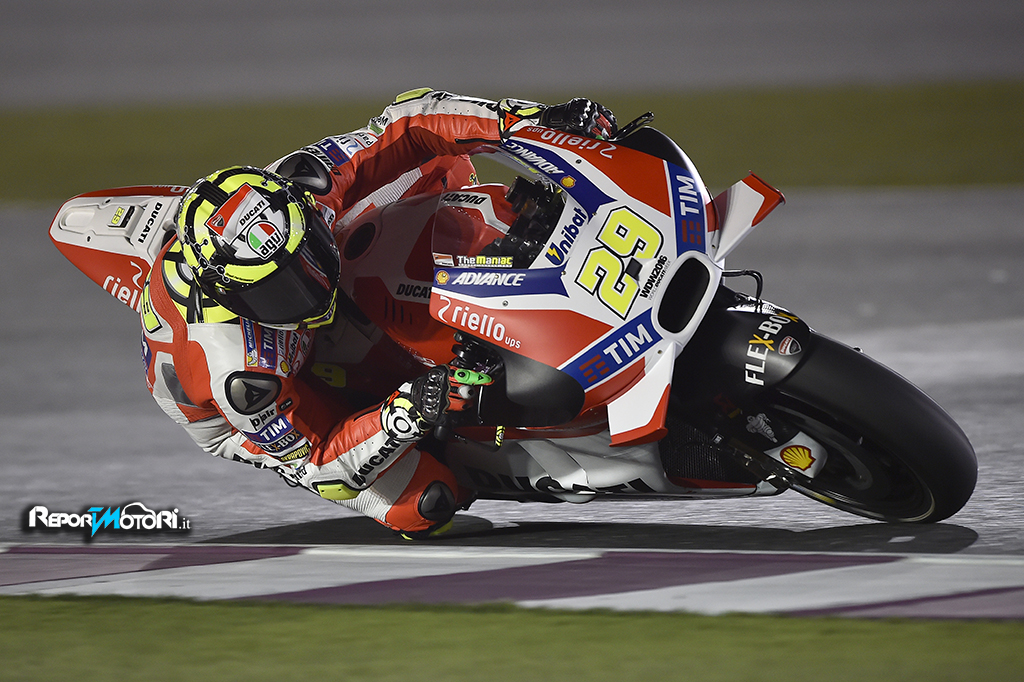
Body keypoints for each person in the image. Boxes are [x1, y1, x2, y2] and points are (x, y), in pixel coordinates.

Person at [139, 89, 617, 537]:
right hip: (266, 414)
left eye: (306, 256)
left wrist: (529, 123)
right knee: (428, 500)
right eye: (278, 290)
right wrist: (403, 413)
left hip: (304, 286)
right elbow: (320, 462)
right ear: (233, 296)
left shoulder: (305, 183)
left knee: (443, 161)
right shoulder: (239, 375)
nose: (307, 286)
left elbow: (410, 120)